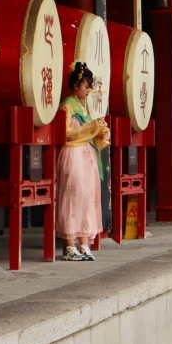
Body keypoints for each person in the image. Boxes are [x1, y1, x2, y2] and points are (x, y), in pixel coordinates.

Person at [56, 62, 110, 261]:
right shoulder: (67, 106)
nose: (89, 90)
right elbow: (66, 133)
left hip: (85, 154)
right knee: (73, 196)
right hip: (73, 153)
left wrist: (100, 131)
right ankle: (70, 244)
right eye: (86, 86)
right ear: (76, 86)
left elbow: (88, 133)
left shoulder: (82, 107)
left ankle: (84, 241)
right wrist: (91, 128)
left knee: (88, 198)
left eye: (90, 86)